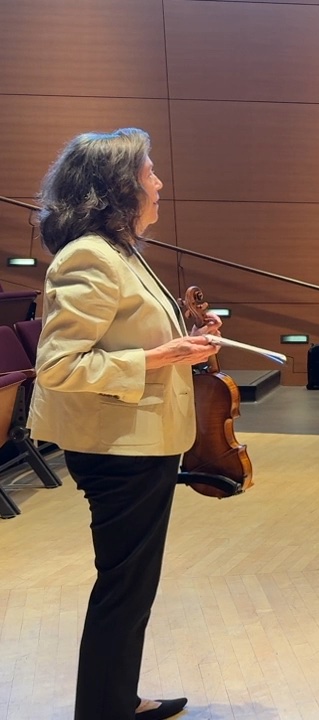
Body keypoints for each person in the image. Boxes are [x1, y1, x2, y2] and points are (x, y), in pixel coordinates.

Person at [29, 128, 223, 720]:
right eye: (148, 172)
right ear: (118, 187)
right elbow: (59, 366)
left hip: (137, 444)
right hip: (118, 450)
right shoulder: (89, 255)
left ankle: (116, 700)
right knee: (124, 587)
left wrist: (188, 338)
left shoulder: (121, 251)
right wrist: (161, 357)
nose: (159, 182)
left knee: (132, 586)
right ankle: (104, 710)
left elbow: (127, 333)